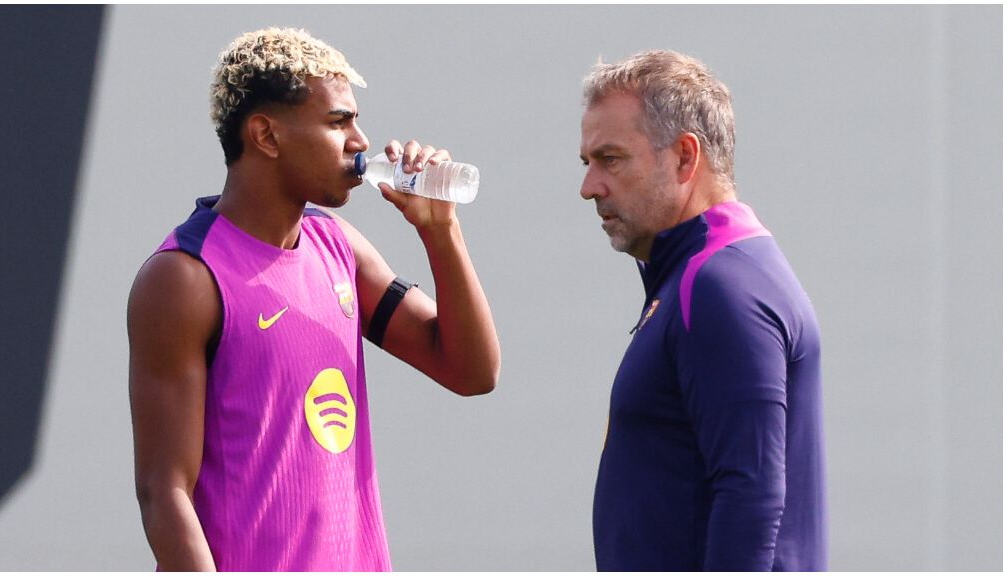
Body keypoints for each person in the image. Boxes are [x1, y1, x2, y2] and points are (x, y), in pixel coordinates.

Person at [127, 27, 500, 571]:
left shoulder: (338, 245)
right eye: (338, 122)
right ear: (266, 135)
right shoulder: (184, 279)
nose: (361, 141)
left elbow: (472, 372)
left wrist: (440, 231)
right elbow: (164, 493)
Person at [580, 50, 826, 571]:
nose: (589, 187)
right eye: (588, 163)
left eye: (611, 159)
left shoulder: (720, 286)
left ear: (684, 157)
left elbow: (752, 497)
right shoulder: (700, 275)